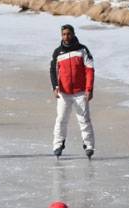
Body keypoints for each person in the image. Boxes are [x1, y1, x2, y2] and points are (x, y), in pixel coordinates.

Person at [49, 25, 96, 159]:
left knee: (84, 120)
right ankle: (58, 145)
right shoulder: (58, 52)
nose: (66, 37)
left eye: (68, 34)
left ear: (73, 34)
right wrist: (55, 87)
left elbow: (90, 70)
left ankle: (89, 146)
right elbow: (52, 70)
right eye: (63, 34)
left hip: (80, 92)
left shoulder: (83, 50)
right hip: (63, 93)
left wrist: (89, 89)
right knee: (61, 120)